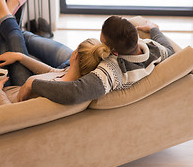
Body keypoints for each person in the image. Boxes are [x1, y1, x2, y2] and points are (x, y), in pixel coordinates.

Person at [17, 15, 176, 104]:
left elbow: (75, 93)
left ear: (113, 51)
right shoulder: (153, 49)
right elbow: (169, 50)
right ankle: (9, 22)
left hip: (74, 66)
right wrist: (154, 29)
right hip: (74, 61)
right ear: (135, 32)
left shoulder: (114, 71)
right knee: (27, 38)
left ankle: (7, 19)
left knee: (22, 38)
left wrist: (33, 84)